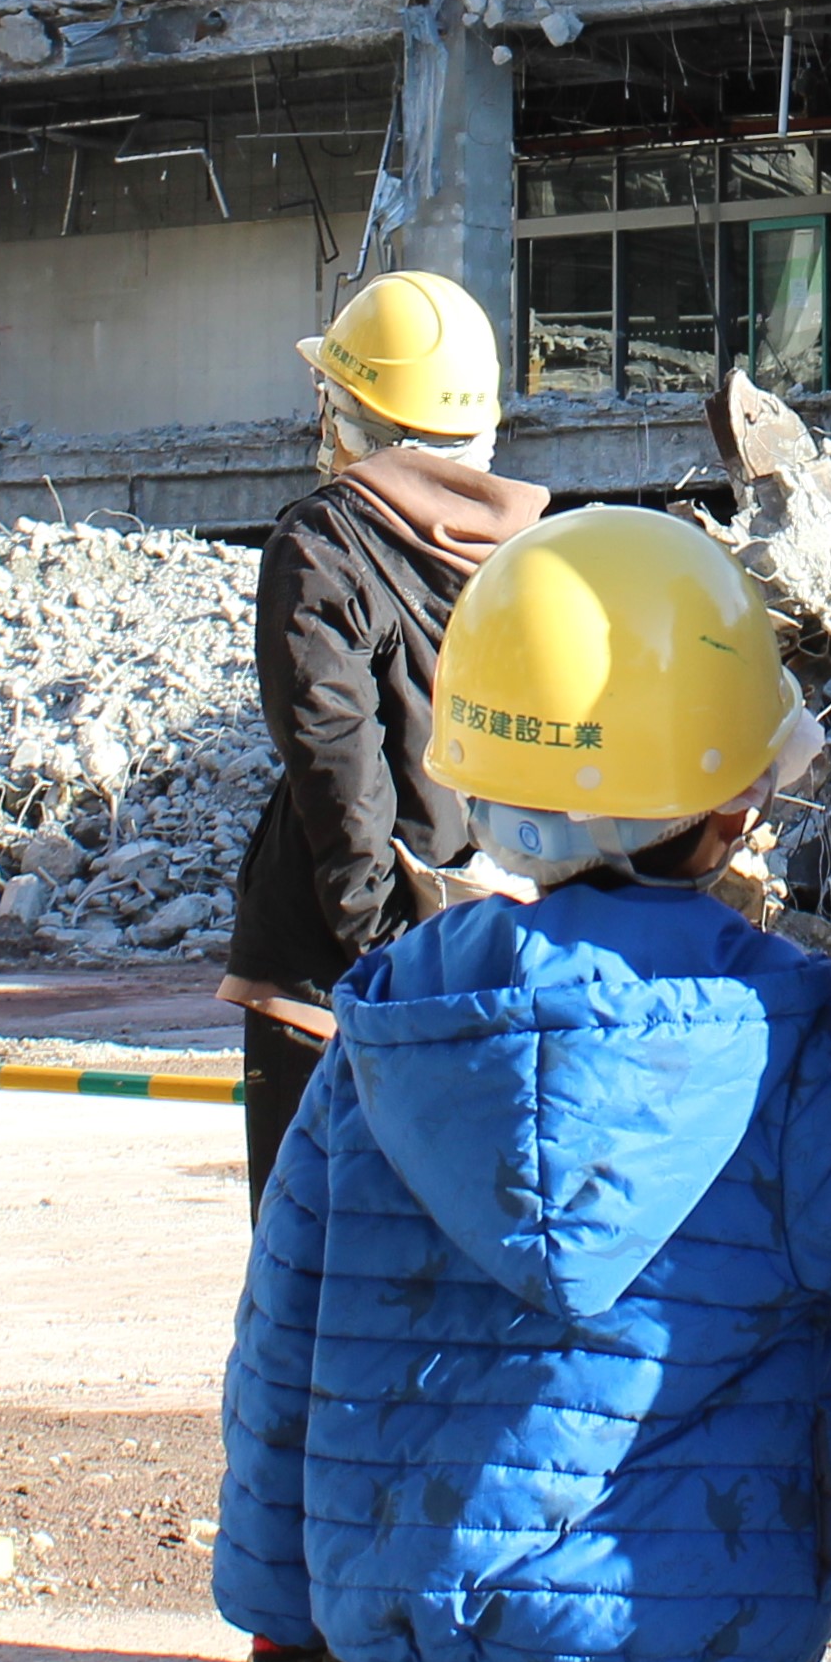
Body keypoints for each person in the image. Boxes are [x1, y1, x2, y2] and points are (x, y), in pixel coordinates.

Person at [215, 505, 831, 1662]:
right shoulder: (779, 1045)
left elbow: (279, 1351)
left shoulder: (390, 1031)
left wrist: (284, 1639)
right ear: (735, 802)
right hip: (663, 1653)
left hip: (417, 1656)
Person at [221, 268, 544, 1203]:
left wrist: (382, 948)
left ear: (348, 411)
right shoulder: (533, 554)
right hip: (497, 947)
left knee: (315, 1276)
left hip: (336, 977)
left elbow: (334, 757)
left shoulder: (323, 543)